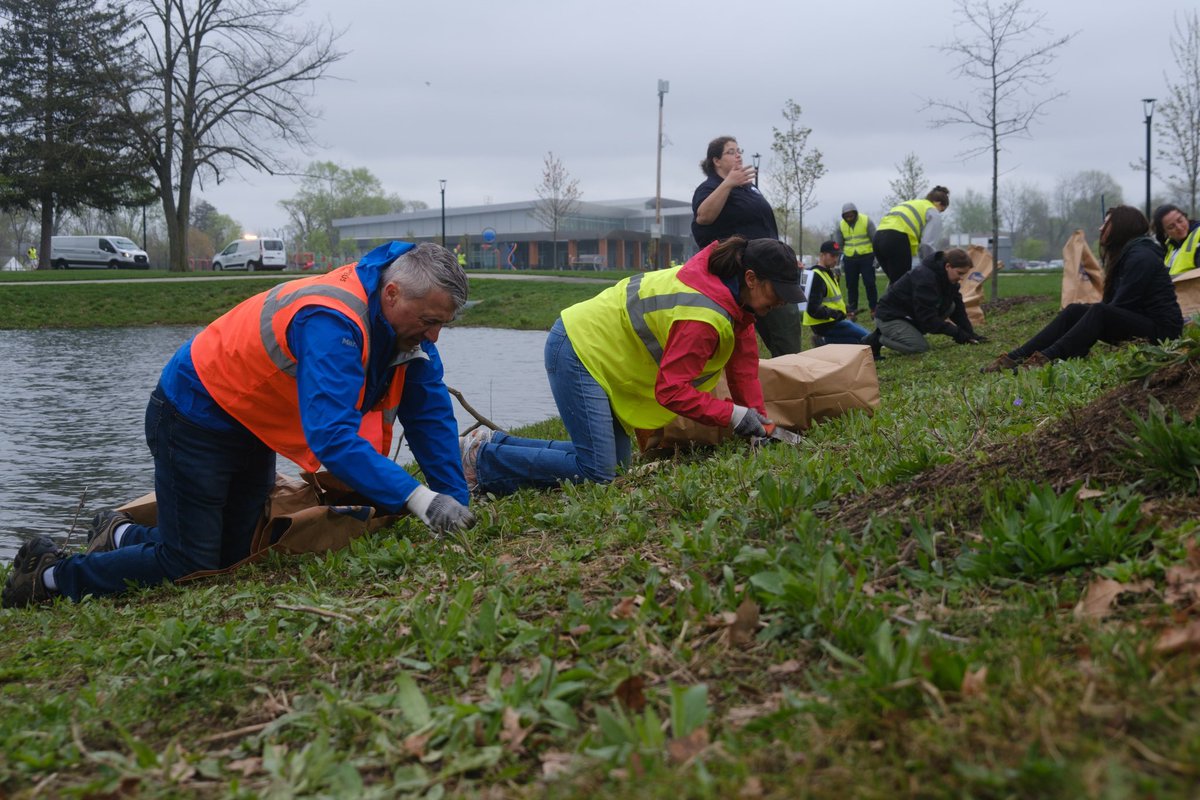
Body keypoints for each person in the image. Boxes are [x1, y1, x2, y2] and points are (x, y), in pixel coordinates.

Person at [2, 241, 476, 609]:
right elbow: (332, 437)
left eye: (442, 325)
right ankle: (45, 576)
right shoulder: (333, 320)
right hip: (193, 415)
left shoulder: (404, 329)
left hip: (248, 425)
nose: (434, 335)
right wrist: (421, 501)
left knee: (232, 556)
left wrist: (456, 501)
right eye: (430, 320)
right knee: (188, 562)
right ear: (392, 294)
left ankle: (118, 534)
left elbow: (428, 414)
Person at [462, 236, 802, 496]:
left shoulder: (738, 306)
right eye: (779, 291)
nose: (783, 301)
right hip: (579, 349)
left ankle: (493, 445)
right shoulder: (703, 315)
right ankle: (483, 463)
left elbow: (742, 370)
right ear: (752, 278)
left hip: (597, 354)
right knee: (598, 472)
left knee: (613, 465)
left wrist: (761, 426)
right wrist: (735, 416)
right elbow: (672, 392)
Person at [981, 206, 1184, 373]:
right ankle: (1015, 357)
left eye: (1107, 223)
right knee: (1074, 311)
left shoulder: (1142, 257)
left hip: (1162, 333)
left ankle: (1046, 358)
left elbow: (1120, 307)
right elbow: (1115, 307)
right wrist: (1084, 320)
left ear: (1121, 227)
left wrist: (1086, 330)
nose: (1100, 228)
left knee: (1098, 312)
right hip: (1144, 323)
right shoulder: (1130, 254)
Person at [692, 135, 803, 357]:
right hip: (740, 273)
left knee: (785, 324)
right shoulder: (710, 188)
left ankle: (789, 376)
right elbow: (703, 217)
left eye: (739, 150)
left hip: (769, 265)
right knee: (741, 333)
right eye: (731, 151)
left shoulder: (749, 190)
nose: (738, 155)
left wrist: (786, 259)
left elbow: (763, 227)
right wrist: (729, 183)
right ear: (716, 160)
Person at [862, 248, 984, 357]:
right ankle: (878, 338)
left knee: (951, 306)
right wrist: (957, 333)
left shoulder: (948, 279)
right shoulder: (926, 279)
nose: (961, 278)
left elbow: (958, 309)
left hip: (909, 314)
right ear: (948, 266)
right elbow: (928, 319)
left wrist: (970, 334)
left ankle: (906, 332)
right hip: (889, 317)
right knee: (919, 348)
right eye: (960, 273)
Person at [872, 186, 951, 285]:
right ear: (938, 203)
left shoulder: (910, 203)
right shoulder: (932, 211)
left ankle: (886, 301)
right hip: (897, 239)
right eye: (942, 210)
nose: (940, 213)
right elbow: (927, 245)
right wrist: (930, 266)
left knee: (896, 283)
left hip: (878, 238)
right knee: (902, 285)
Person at [804, 241, 871, 345]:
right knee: (868, 340)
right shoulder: (816, 276)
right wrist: (836, 314)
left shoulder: (829, 273)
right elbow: (813, 309)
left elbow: (833, 300)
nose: (836, 259)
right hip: (826, 325)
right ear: (822, 255)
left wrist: (846, 309)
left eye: (837, 256)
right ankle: (824, 340)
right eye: (832, 255)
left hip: (835, 322)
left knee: (863, 340)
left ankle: (825, 341)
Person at [833, 203, 878, 319]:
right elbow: (838, 246)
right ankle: (852, 311)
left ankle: (874, 309)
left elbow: (876, 240)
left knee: (870, 283)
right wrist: (836, 265)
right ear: (843, 216)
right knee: (851, 286)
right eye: (846, 215)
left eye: (851, 214)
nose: (849, 217)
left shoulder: (866, 221)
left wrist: (877, 258)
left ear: (855, 213)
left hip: (867, 257)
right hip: (850, 259)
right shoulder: (841, 226)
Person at [1151, 204, 1200, 276]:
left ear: (1185, 217)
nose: (1179, 227)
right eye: (1171, 227)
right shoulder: (1170, 245)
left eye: (1180, 221)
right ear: (1164, 231)